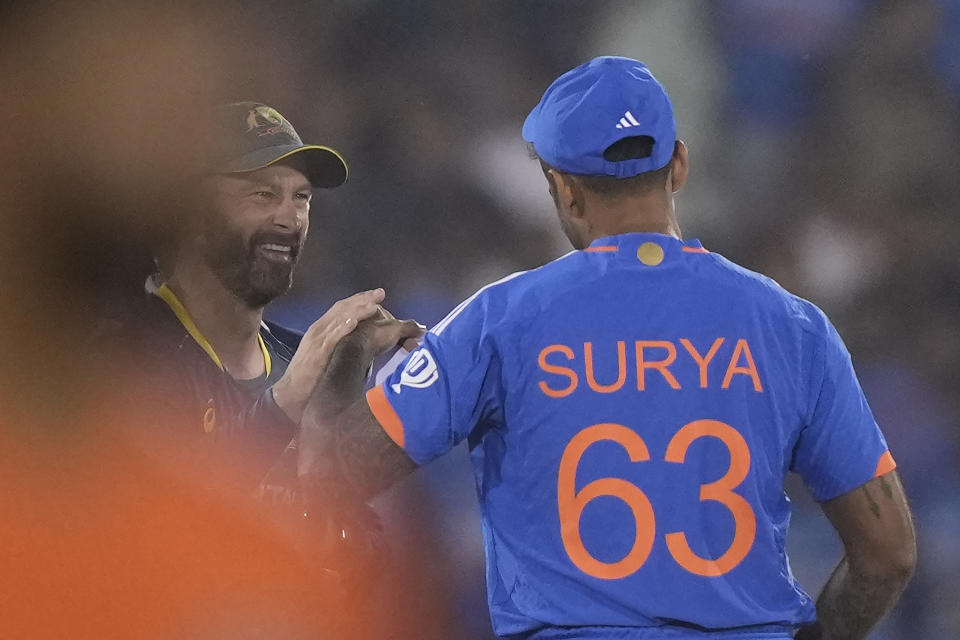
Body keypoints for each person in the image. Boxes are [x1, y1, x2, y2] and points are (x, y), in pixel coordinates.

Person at [297, 57, 917, 639]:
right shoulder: (794, 326)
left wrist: (345, 368)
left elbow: (326, 479)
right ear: (678, 165)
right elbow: (889, 555)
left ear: (563, 189)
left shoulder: (498, 320)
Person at [122, 101, 420, 584]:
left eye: (301, 197)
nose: (290, 218)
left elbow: (359, 556)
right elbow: (151, 529)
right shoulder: (125, 354)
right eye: (263, 194)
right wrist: (287, 401)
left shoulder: (304, 362)